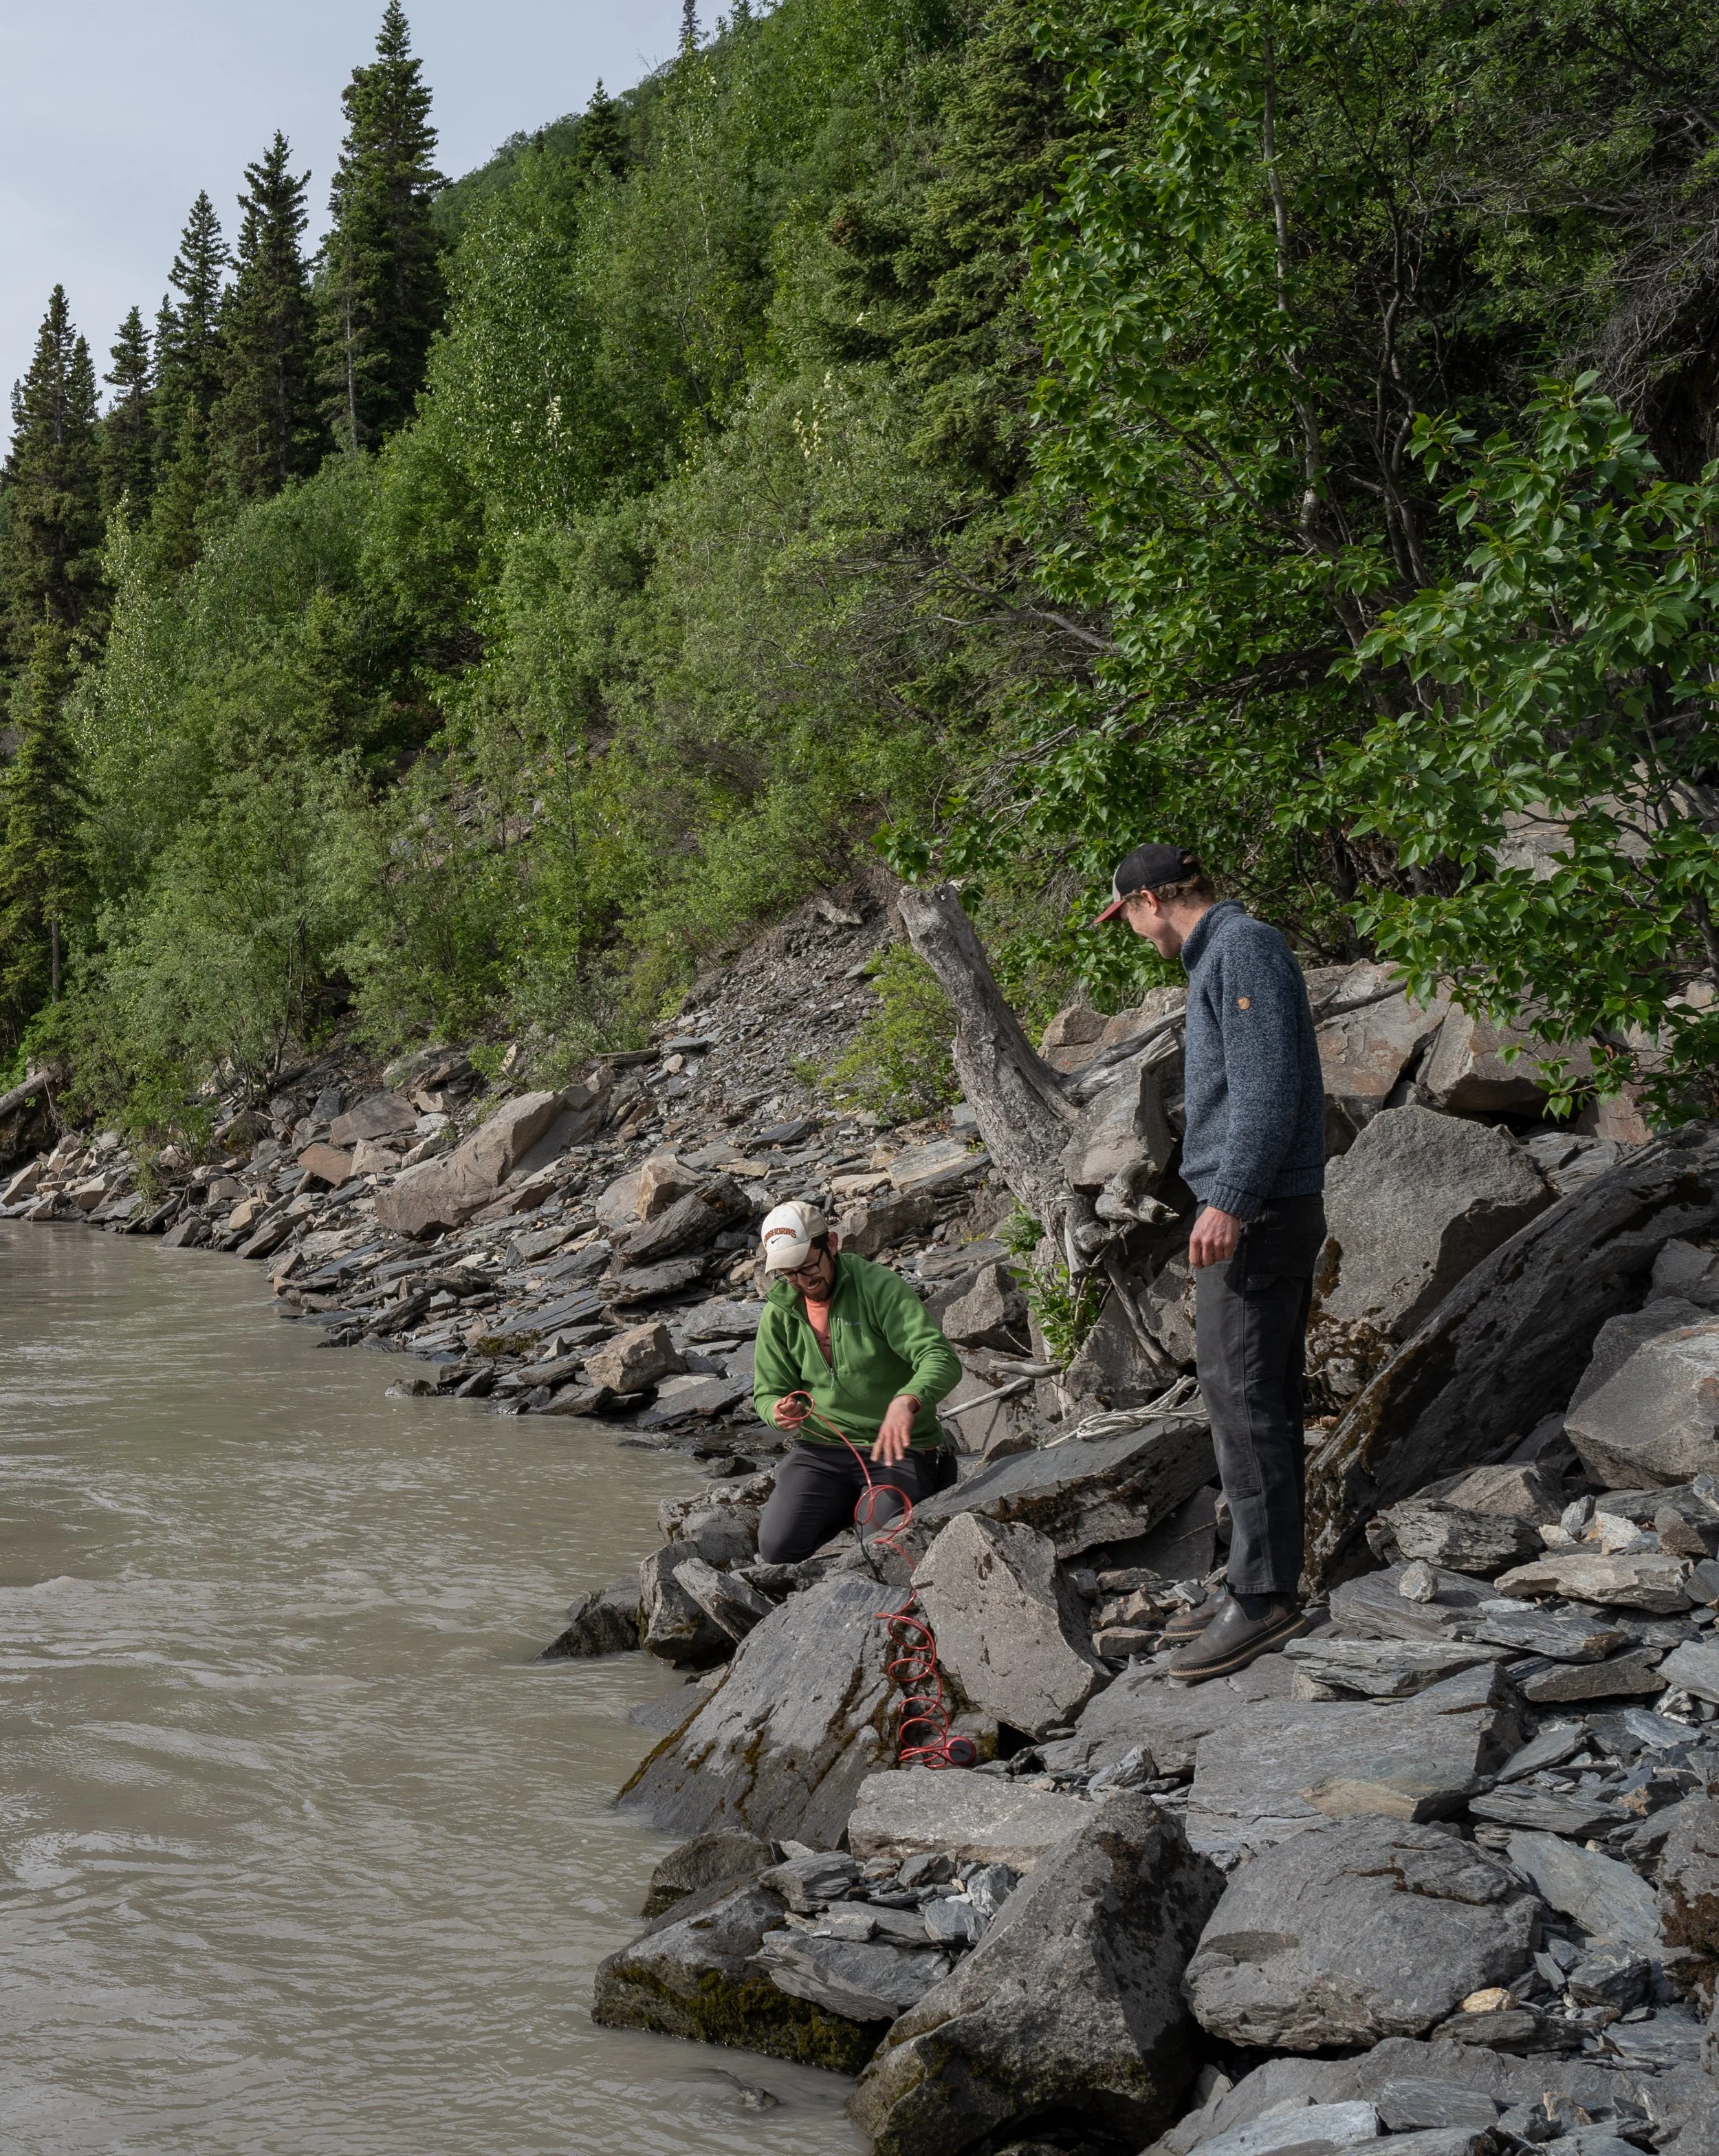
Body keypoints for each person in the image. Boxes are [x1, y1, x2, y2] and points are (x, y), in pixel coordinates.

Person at [1095, 842, 1326, 1680]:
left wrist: (1229, 1198)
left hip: (1257, 1214)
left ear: (1152, 901)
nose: (1133, 933)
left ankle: (1262, 1600)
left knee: (1244, 1399)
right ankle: (1254, 1579)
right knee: (1252, 1395)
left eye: (1127, 916)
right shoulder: (1225, 953)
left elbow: (1267, 1091)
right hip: (1262, 1208)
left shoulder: (1242, 949)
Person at [751, 1199, 963, 1565]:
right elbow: (767, 1392)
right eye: (789, 1274)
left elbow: (940, 1357)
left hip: (898, 1448)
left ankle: (870, 1512)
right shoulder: (780, 1310)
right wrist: (778, 1411)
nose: (803, 1282)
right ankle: (851, 1506)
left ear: (831, 1244)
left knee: (882, 1552)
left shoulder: (879, 1287)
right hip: (821, 1450)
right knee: (776, 1548)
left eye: (808, 1267)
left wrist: (908, 1400)